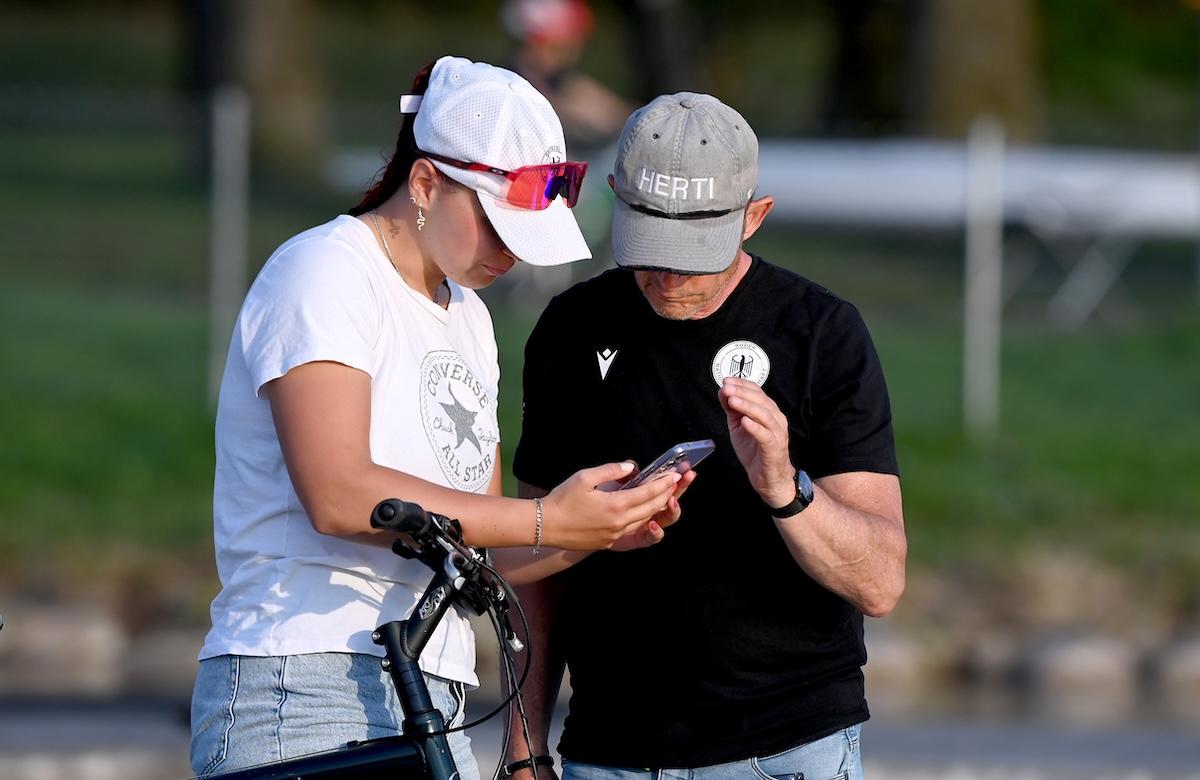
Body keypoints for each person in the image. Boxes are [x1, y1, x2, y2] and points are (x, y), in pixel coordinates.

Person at [189, 56, 686, 779]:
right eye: (497, 225)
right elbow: (339, 493)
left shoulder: (470, 319)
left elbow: (485, 543)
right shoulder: (325, 271)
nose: (512, 252)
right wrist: (547, 517)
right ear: (425, 182)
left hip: (432, 689)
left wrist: (593, 529)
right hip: (303, 681)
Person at [504, 93, 907, 779]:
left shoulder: (821, 333)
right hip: (608, 751)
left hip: (787, 748)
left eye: (692, 254)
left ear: (754, 216)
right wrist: (523, 749)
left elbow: (880, 584)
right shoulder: (570, 330)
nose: (667, 276)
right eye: (648, 246)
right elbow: (527, 569)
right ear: (614, 199)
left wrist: (783, 488)